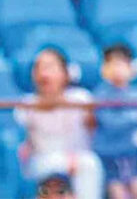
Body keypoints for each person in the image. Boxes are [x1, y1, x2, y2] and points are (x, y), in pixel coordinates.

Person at [14, 48, 103, 199]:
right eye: (38, 67)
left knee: (90, 163)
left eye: (49, 67)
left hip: (80, 159)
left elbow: (97, 130)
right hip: (42, 161)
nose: (43, 73)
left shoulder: (81, 99)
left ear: (65, 72)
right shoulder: (26, 104)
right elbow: (22, 144)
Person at [93, 44, 137, 199]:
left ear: (132, 68)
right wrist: (134, 117)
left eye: (121, 63)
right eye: (111, 63)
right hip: (108, 158)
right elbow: (109, 122)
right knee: (118, 193)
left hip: (132, 157)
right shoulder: (100, 94)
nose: (116, 68)